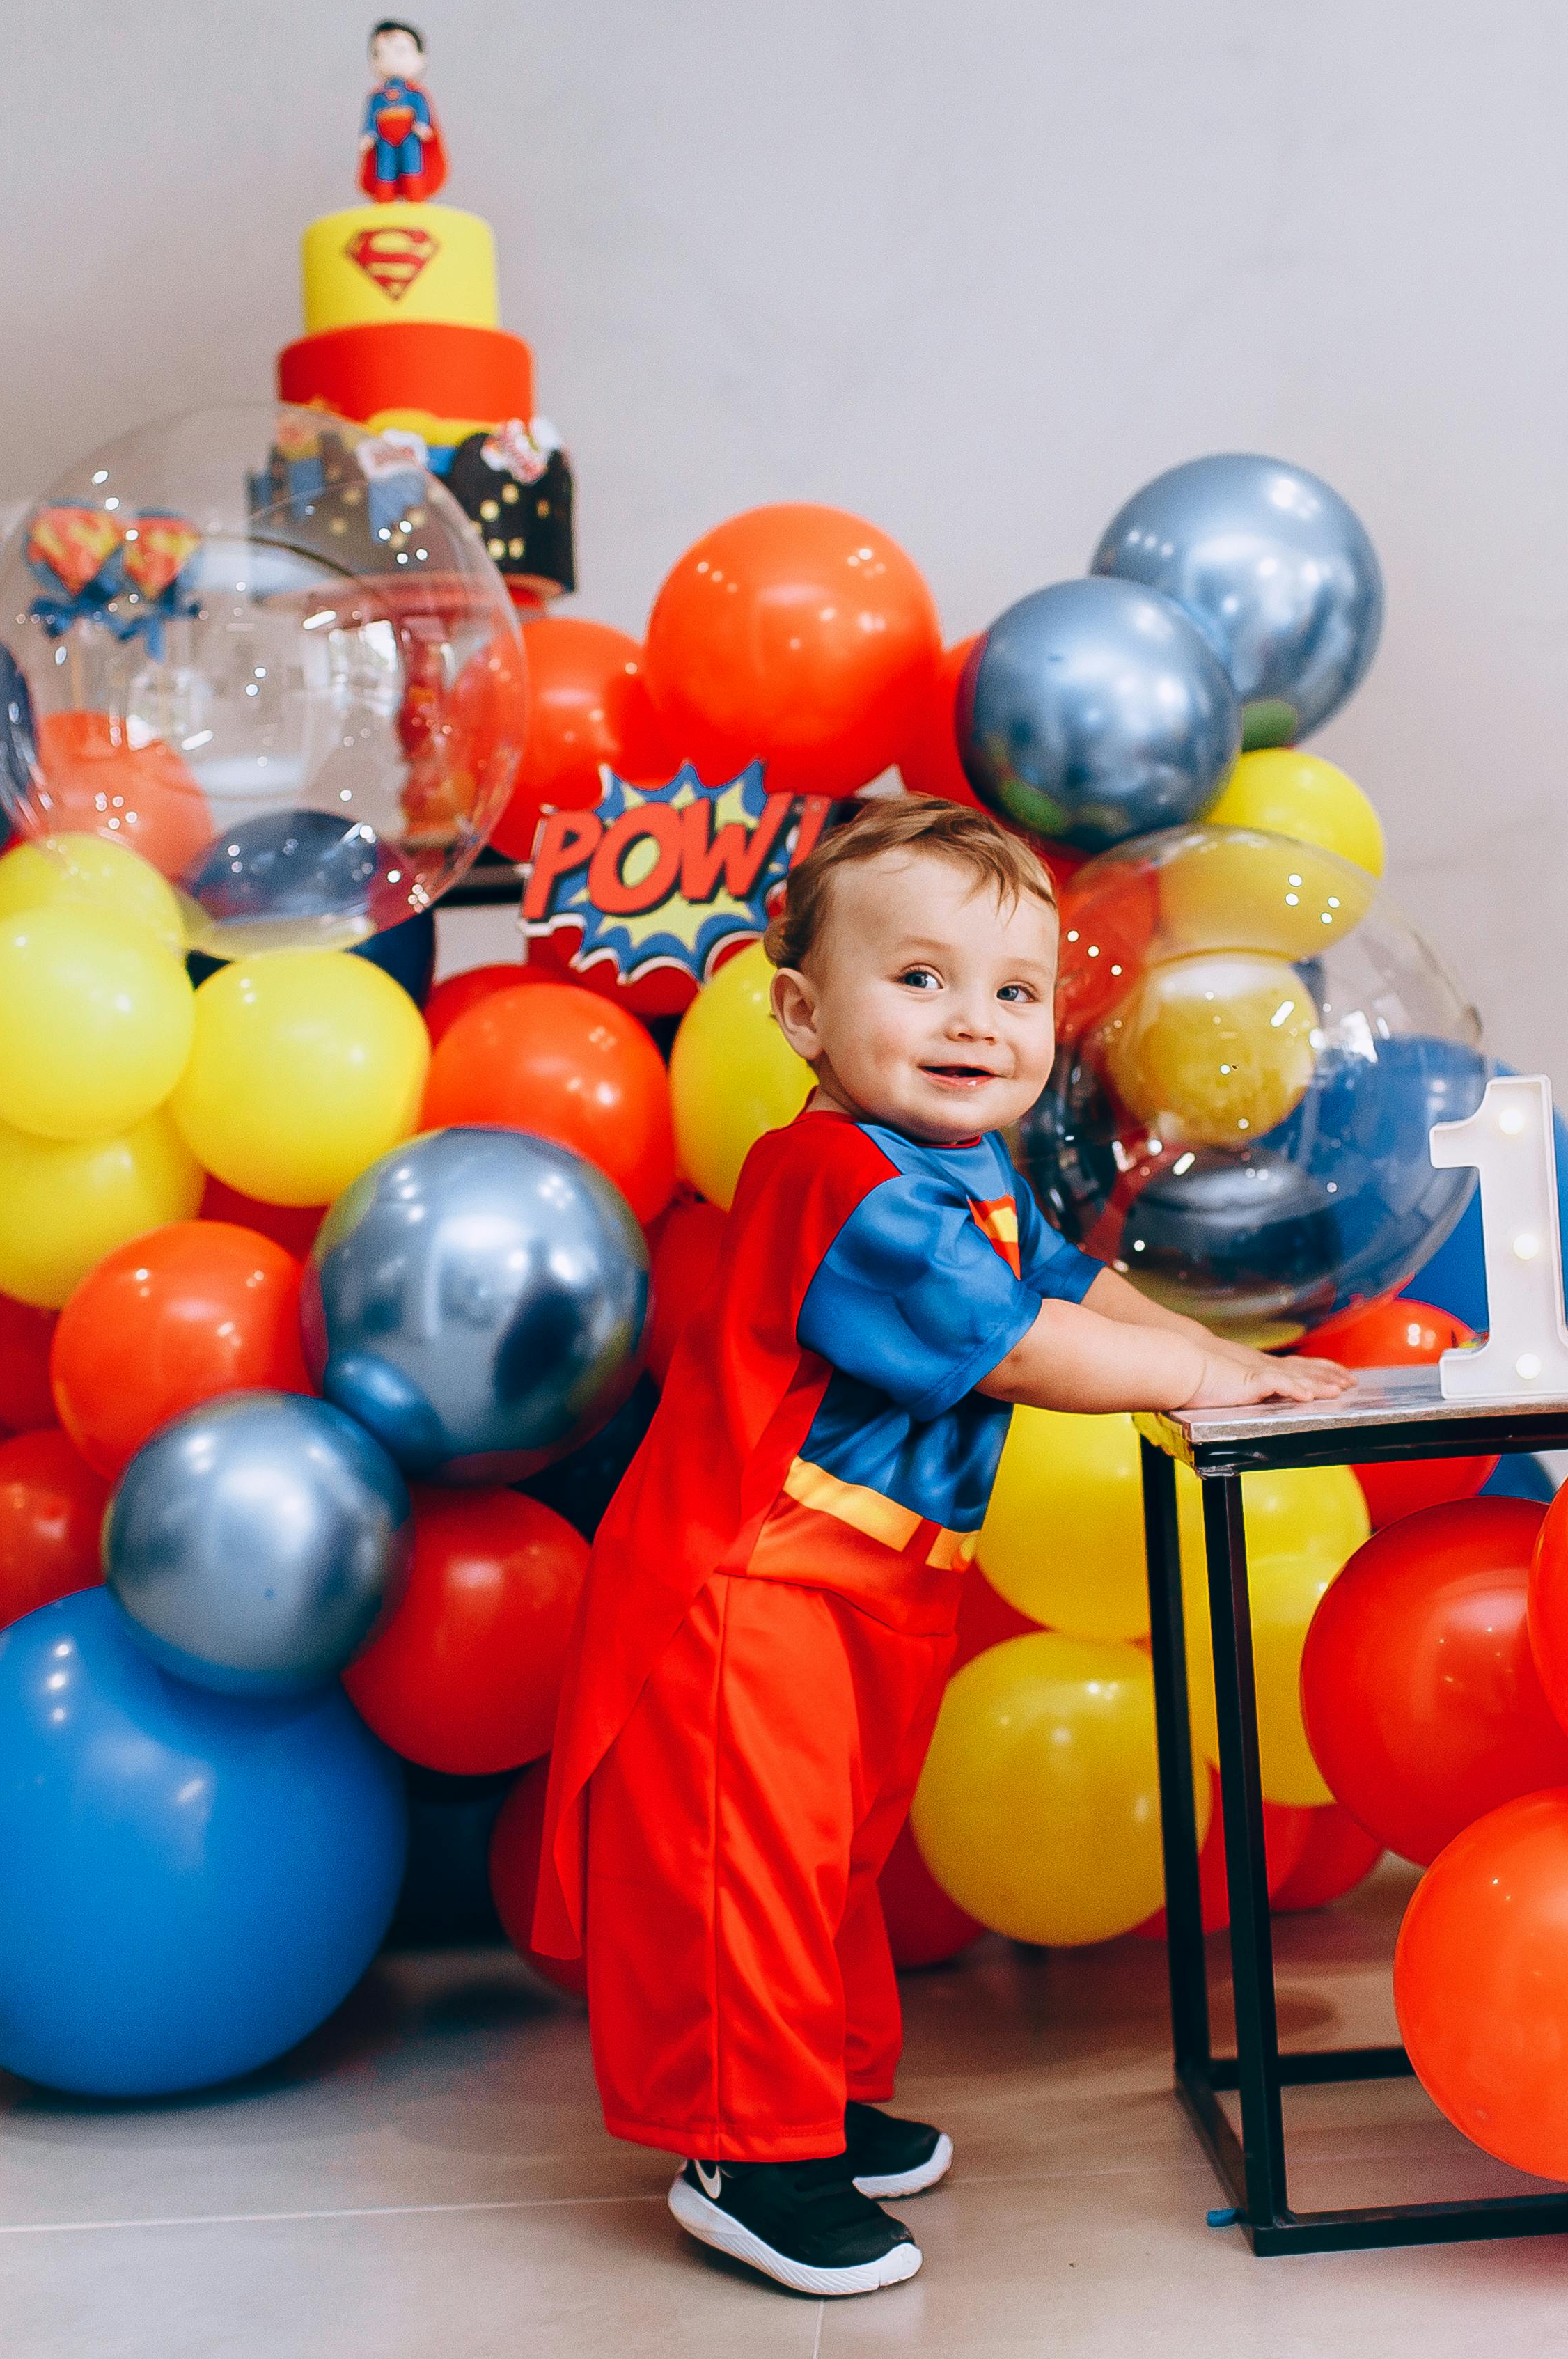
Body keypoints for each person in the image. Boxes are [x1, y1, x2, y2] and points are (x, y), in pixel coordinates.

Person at [533, 795, 1350, 2298]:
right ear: (803, 1013)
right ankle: (748, 2151)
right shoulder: (835, 1180)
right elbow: (1019, 1349)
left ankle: (821, 2099)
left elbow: (1072, 1286)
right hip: (756, 1576)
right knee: (753, 1863)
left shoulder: (971, 1173)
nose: (974, 1023)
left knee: (839, 1852)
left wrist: (1234, 1357)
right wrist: (1204, 1382)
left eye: (1015, 993)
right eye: (918, 981)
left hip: (885, 1574)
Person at [356, 19, 441, 201]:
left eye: (400, 51)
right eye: (379, 53)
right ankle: (384, 200)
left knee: (413, 164)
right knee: (384, 168)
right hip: (384, 140)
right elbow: (371, 118)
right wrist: (368, 134)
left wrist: (422, 124)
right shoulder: (377, 97)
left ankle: (415, 199)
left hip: (410, 137)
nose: (391, 58)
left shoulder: (415, 94)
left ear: (420, 57)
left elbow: (422, 110)